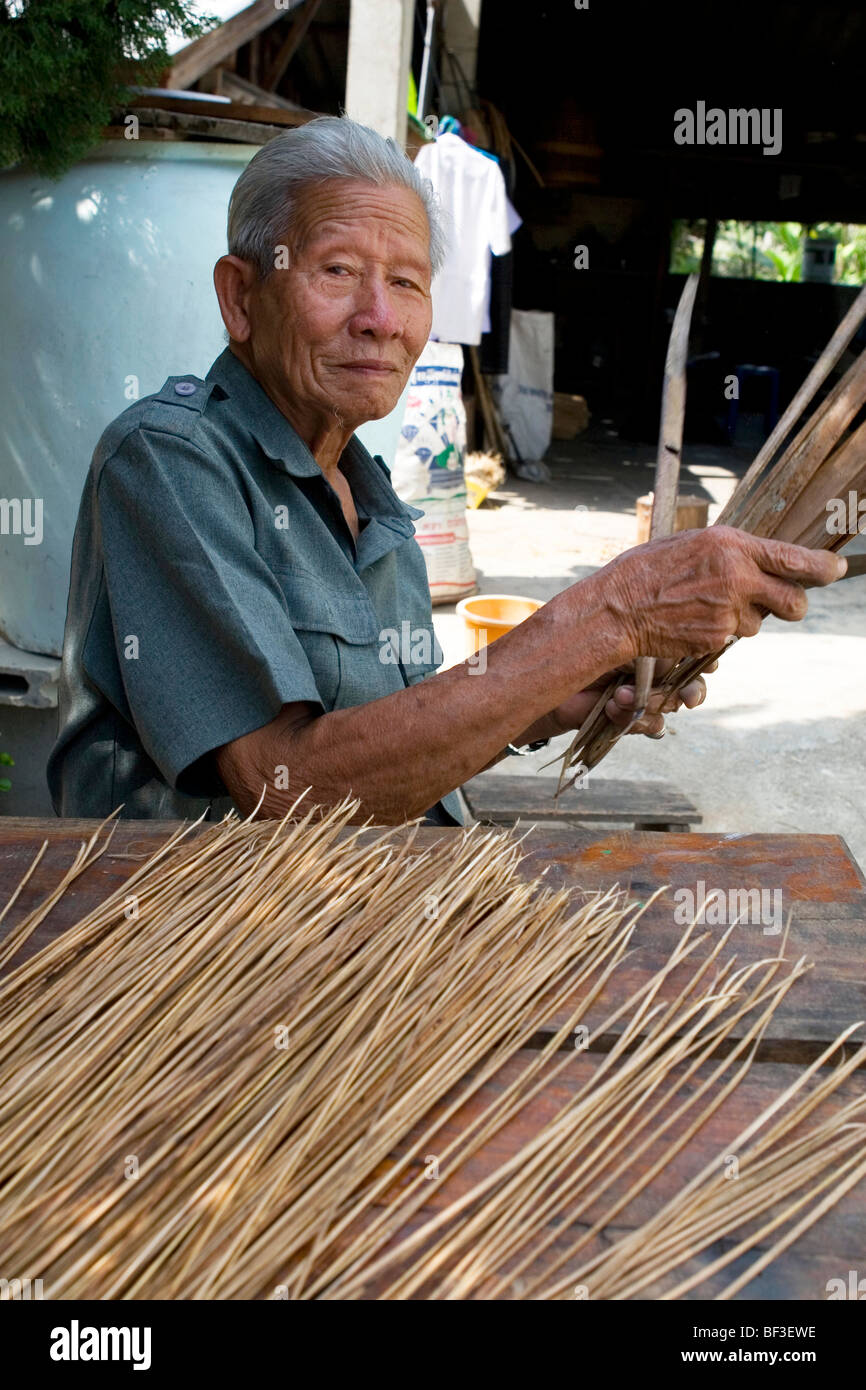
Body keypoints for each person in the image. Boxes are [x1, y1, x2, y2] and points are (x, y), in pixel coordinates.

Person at [46, 116, 845, 824]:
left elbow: (391, 742)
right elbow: (282, 783)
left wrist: (545, 702)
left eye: (406, 282)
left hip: (375, 901)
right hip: (211, 948)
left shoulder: (370, 495)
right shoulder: (168, 461)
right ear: (241, 297)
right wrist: (610, 615)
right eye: (336, 271)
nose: (382, 320)